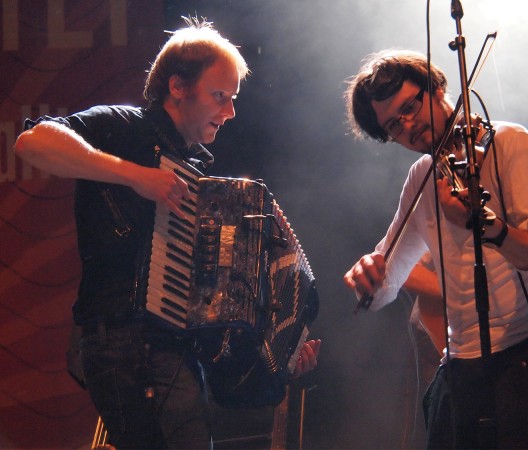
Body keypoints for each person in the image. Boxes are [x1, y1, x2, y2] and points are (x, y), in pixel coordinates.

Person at [14, 17, 320, 449]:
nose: (229, 112)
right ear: (178, 86)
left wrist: (280, 355)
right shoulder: (124, 127)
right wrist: (135, 175)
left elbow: (219, 317)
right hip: (116, 339)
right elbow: (33, 142)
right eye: (220, 96)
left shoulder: (202, 180)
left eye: (232, 99)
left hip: (174, 351)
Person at [342, 49, 528, 449]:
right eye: (394, 126)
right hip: (463, 358)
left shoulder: (509, 143)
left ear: (436, 87)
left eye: (410, 107)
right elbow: (388, 280)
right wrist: (370, 276)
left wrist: (486, 224)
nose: (408, 126)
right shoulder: (421, 179)